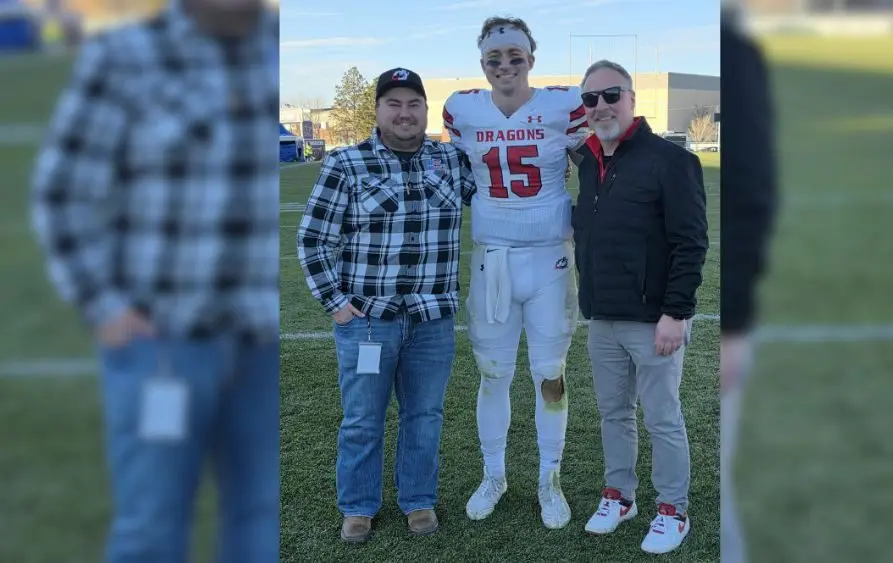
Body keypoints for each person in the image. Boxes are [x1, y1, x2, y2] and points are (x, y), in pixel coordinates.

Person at [29, 1, 279, 561]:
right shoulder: (124, 57)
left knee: (261, 526)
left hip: (266, 350)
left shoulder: (276, 50)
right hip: (161, 347)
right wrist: (104, 307)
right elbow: (62, 192)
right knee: (150, 530)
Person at [298, 67, 477, 543]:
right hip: (368, 323)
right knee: (362, 419)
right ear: (377, 111)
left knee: (425, 416)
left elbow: (501, 198)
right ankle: (357, 507)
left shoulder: (451, 161)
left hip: (432, 321)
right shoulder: (346, 164)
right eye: (393, 103)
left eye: (413, 103)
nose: (405, 113)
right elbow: (313, 239)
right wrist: (337, 304)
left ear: (425, 110)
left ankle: (418, 500)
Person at [441, 15, 589, 530]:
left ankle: (550, 477)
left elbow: (591, 158)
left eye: (514, 56)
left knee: (551, 376)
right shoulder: (463, 110)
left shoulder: (562, 105)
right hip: (493, 259)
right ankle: (495, 473)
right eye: (494, 58)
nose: (505, 65)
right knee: (493, 374)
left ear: (531, 57)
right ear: (482, 63)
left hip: (550, 258)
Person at [570, 59, 709, 555]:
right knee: (613, 413)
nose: (602, 106)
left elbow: (690, 243)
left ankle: (673, 509)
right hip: (602, 316)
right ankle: (620, 495)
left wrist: (676, 312)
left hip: (654, 320)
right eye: (591, 99)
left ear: (631, 99)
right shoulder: (587, 161)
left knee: (662, 418)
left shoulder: (670, 161)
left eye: (611, 95)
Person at [720, 4, 780, 562]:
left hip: (728, 323)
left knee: (719, 502)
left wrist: (733, 324)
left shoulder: (731, 53)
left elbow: (752, 190)